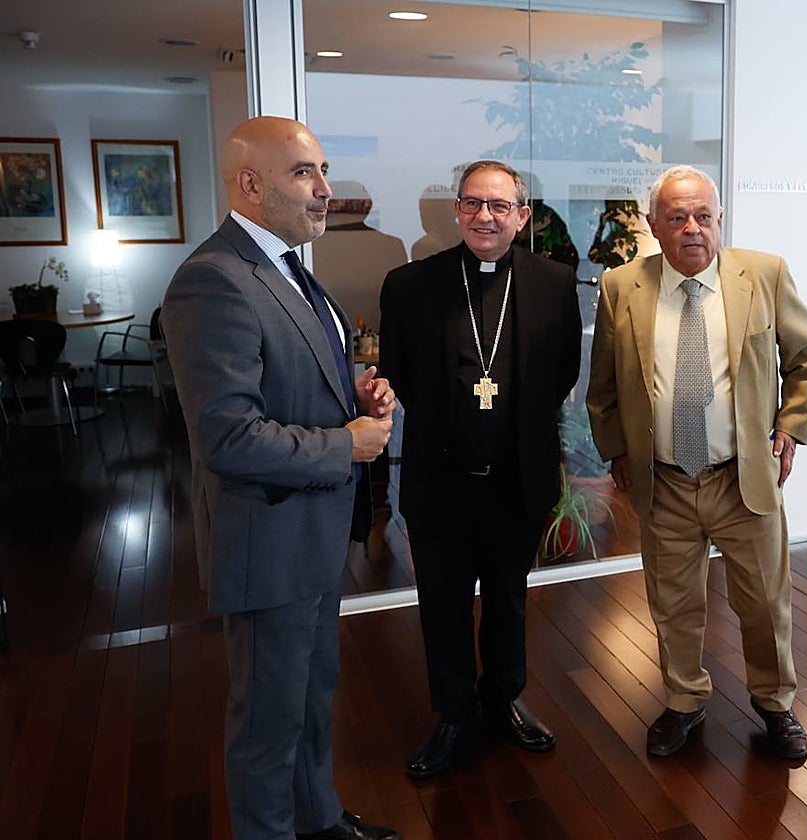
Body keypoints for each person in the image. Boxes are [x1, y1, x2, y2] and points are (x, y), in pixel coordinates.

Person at [162, 116, 398, 840]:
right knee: (267, 723)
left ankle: (319, 822)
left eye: (323, 170)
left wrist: (353, 394)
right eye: (305, 174)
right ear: (251, 184)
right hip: (268, 543)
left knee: (307, 699)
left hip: (311, 539)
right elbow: (228, 437)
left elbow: (289, 385)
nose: (325, 190)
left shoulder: (292, 270)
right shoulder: (214, 280)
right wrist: (347, 443)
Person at [586, 164, 807, 761]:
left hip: (741, 478)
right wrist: (616, 449)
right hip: (664, 480)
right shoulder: (621, 287)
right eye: (677, 217)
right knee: (673, 602)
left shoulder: (763, 275)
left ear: (719, 220)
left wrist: (791, 428)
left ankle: (775, 705)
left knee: (765, 602)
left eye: (704, 216)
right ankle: (684, 700)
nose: (692, 228)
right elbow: (604, 386)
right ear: (654, 225)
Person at [378, 160, 582, 779]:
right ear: (457, 211)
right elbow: (399, 371)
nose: (484, 216)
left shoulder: (553, 282)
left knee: (508, 599)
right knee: (441, 603)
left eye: (499, 206)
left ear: (522, 216)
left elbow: (563, 373)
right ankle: (454, 714)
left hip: (516, 479)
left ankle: (504, 699)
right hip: (440, 479)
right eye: (472, 204)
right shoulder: (410, 284)